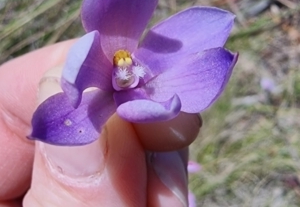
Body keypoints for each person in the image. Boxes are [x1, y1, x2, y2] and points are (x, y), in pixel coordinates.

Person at [0, 40, 201, 207]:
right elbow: (55, 124)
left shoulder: (147, 85)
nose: (124, 62)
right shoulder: (88, 85)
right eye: (121, 62)